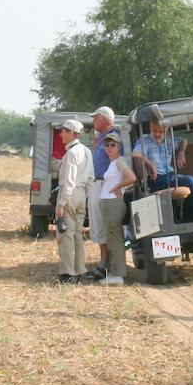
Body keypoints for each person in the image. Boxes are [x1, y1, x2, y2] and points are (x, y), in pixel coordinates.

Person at [131, 121, 193, 219]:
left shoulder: (169, 140)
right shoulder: (144, 141)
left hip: (171, 175)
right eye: (154, 131)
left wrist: (181, 152)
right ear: (150, 129)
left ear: (166, 131)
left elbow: (183, 141)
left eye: (161, 132)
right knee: (189, 181)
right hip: (157, 179)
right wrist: (151, 165)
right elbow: (136, 154)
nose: (157, 134)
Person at [92, 130, 137, 285]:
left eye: (113, 144)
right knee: (111, 239)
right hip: (108, 205)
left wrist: (118, 187)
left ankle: (118, 275)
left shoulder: (119, 161)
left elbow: (131, 178)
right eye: (107, 144)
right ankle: (114, 272)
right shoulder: (113, 162)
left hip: (113, 205)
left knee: (115, 240)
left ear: (119, 146)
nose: (110, 147)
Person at [54, 119, 93, 284]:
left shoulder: (71, 153)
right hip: (81, 194)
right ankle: (79, 270)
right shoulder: (87, 151)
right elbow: (91, 179)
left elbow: (69, 180)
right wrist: (84, 196)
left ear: (71, 133)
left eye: (63, 130)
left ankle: (67, 274)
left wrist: (61, 204)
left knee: (65, 234)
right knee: (77, 234)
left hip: (69, 193)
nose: (60, 133)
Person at [86, 105, 119, 278]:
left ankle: (106, 264)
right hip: (98, 184)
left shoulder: (112, 137)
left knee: (104, 225)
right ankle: (103, 262)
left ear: (105, 119)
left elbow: (117, 161)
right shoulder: (103, 138)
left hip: (105, 185)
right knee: (99, 224)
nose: (93, 121)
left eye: (96, 118)